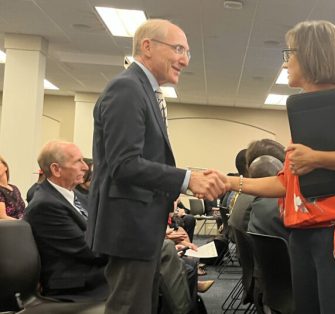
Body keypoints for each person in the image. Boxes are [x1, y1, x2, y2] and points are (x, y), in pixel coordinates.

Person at [226, 20, 335, 314]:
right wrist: (231, 183)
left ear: (311, 54)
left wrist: (318, 158)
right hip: (305, 235)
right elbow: (286, 182)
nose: (286, 64)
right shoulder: (307, 110)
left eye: (289, 54)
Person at [87, 19, 228, 314]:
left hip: (141, 228)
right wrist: (187, 179)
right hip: (130, 229)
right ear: (147, 47)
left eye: (187, 52)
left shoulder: (144, 90)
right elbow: (124, 164)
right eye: (178, 49)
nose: (185, 60)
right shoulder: (127, 88)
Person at [24, 141, 107, 300]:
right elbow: (88, 250)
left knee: (156, 258)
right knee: (154, 258)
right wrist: (128, 248)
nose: (85, 167)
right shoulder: (45, 205)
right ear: (56, 169)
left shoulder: (80, 197)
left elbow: (104, 229)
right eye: (78, 161)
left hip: (97, 271)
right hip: (79, 284)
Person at [0, 155, 26, 220]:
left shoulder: (14, 188)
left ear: (5, 166)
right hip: (10, 228)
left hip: (22, 226)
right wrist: (22, 223)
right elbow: (2, 217)